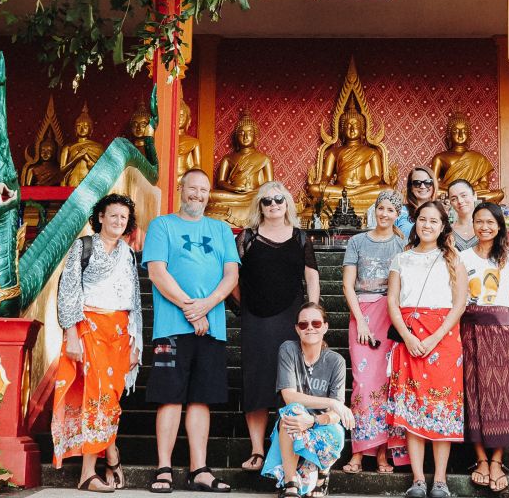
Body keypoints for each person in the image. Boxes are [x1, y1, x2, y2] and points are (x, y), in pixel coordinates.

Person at [142, 168, 240, 493]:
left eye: (203, 190)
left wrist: (206, 306)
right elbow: (157, 272)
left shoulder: (221, 229)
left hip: (211, 327)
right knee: (169, 397)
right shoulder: (162, 226)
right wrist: (190, 307)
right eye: (192, 188)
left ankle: (199, 468)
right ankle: (164, 469)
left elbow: (231, 276)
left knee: (202, 399)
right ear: (181, 188)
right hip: (172, 327)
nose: (197, 195)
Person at [52, 194, 142, 493]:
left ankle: (111, 453)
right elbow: (68, 290)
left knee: (111, 400)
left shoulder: (128, 254)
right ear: (101, 217)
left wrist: (136, 341)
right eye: (113, 215)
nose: (118, 222)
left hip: (119, 333)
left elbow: (135, 301)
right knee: (97, 396)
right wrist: (72, 334)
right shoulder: (84, 246)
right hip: (90, 326)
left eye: (124, 218)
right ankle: (89, 472)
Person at [234, 181, 320, 472]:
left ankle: (289, 449)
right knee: (256, 381)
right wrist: (244, 305)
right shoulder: (247, 237)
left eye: (279, 200)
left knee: (290, 382)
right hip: (255, 317)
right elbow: (233, 278)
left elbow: (311, 277)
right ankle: (257, 450)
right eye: (267, 201)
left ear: (288, 203)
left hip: (291, 317)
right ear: (259, 206)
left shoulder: (300, 238)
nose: (273, 205)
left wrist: (311, 312)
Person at [386, 201, 467, 498]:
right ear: (415, 222)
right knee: (412, 408)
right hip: (409, 335)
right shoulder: (401, 259)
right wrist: (407, 336)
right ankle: (418, 479)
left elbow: (460, 303)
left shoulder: (453, 258)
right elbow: (392, 301)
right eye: (422, 219)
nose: (427, 225)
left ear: (443, 226)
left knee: (440, 406)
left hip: (443, 339)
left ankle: (441, 480)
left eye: (434, 221)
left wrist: (435, 338)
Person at [459, 202, 509, 498]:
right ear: (472, 225)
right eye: (479, 222)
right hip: (468, 328)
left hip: (500, 330)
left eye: (490, 222)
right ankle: (481, 459)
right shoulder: (461, 258)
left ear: (499, 225)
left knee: (499, 393)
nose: (484, 227)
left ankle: (497, 461)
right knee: (471, 391)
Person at [341, 190, 407, 475]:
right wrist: (362, 321)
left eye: (391, 210)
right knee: (363, 384)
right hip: (362, 312)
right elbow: (347, 285)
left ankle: (382, 452)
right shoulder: (357, 241)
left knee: (387, 384)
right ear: (374, 210)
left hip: (390, 314)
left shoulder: (403, 245)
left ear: (397, 215)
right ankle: (358, 451)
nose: (384, 214)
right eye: (381, 208)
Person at [261, 302, 354, 498]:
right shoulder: (289, 350)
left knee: (335, 430)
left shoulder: (336, 361)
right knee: (292, 410)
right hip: (292, 428)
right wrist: (331, 402)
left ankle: (322, 475)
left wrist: (313, 420)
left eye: (316, 323)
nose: (309, 327)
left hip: (321, 427)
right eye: (303, 324)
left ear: (326, 327)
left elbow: (336, 416)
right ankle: (290, 482)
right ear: (297, 329)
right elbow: (289, 396)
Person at [395, 167, 438, 239]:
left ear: (433, 185)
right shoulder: (399, 211)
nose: (422, 186)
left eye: (427, 182)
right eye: (417, 183)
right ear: (411, 188)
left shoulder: (441, 211)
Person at [447, 179, 478, 251]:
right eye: (454, 199)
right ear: (450, 203)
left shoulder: (488, 228)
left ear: (475, 196)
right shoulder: (447, 232)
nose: (460, 201)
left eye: (463, 195)